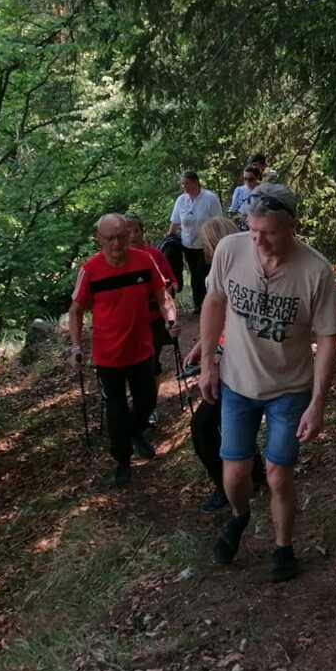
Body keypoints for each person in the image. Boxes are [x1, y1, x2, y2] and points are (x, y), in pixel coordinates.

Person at [198, 184, 336, 583]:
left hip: (289, 389)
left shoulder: (315, 270)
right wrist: (209, 362)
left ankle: (283, 548)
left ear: (291, 227)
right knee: (235, 473)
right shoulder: (230, 249)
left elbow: (327, 339)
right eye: (252, 229)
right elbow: (214, 302)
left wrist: (318, 403)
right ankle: (240, 515)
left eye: (269, 232)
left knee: (279, 474)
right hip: (236, 382)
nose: (258, 241)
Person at [69, 213, 177, 487]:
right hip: (108, 356)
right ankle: (123, 462)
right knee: (116, 412)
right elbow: (76, 310)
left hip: (141, 349)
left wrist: (170, 319)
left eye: (121, 237)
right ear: (99, 238)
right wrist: (76, 346)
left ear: (129, 235)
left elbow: (162, 296)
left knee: (146, 402)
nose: (116, 244)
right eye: (110, 238)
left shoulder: (144, 261)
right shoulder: (90, 270)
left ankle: (136, 432)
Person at [183, 215, 267, 514]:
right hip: (228, 360)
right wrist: (202, 347)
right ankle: (254, 476)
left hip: (241, 366)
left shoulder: (243, 273)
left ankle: (227, 486)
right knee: (226, 423)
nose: (204, 251)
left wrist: (213, 360)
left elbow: (240, 325)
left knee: (203, 426)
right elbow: (221, 318)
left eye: (206, 244)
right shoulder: (223, 270)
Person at [123, 213, 179, 392]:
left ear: (142, 232)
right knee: (132, 364)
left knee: (152, 362)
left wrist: (169, 312)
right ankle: (140, 397)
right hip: (129, 321)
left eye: (136, 231)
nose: (133, 235)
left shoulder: (154, 254)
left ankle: (150, 401)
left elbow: (171, 282)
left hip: (154, 317)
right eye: (128, 232)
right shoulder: (117, 258)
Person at [167, 171, 223, 313]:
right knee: (194, 274)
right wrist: (169, 237)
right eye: (183, 184)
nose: (184, 186)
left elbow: (218, 222)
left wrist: (216, 243)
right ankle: (199, 304)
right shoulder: (181, 200)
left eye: (187, 183)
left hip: (206, 244)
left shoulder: (210, 198)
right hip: (188, 245)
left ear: (196, 182)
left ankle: (210, 304)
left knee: (202, 275)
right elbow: (175, 221)